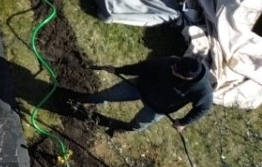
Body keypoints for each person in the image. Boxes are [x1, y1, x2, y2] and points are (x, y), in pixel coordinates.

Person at [80, 54, 216, 132]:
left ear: (187, 78)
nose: (172, 69)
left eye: (175, 71)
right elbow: (144, 67)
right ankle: (83, 100)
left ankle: (119, 128)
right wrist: (118, 70)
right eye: (174, 67)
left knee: (136, 126)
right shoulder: (172, 62)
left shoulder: (203, 90)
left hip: (158, 108)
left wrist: (183, 122)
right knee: (108, 94)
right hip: (141, 86)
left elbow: (204, 107)